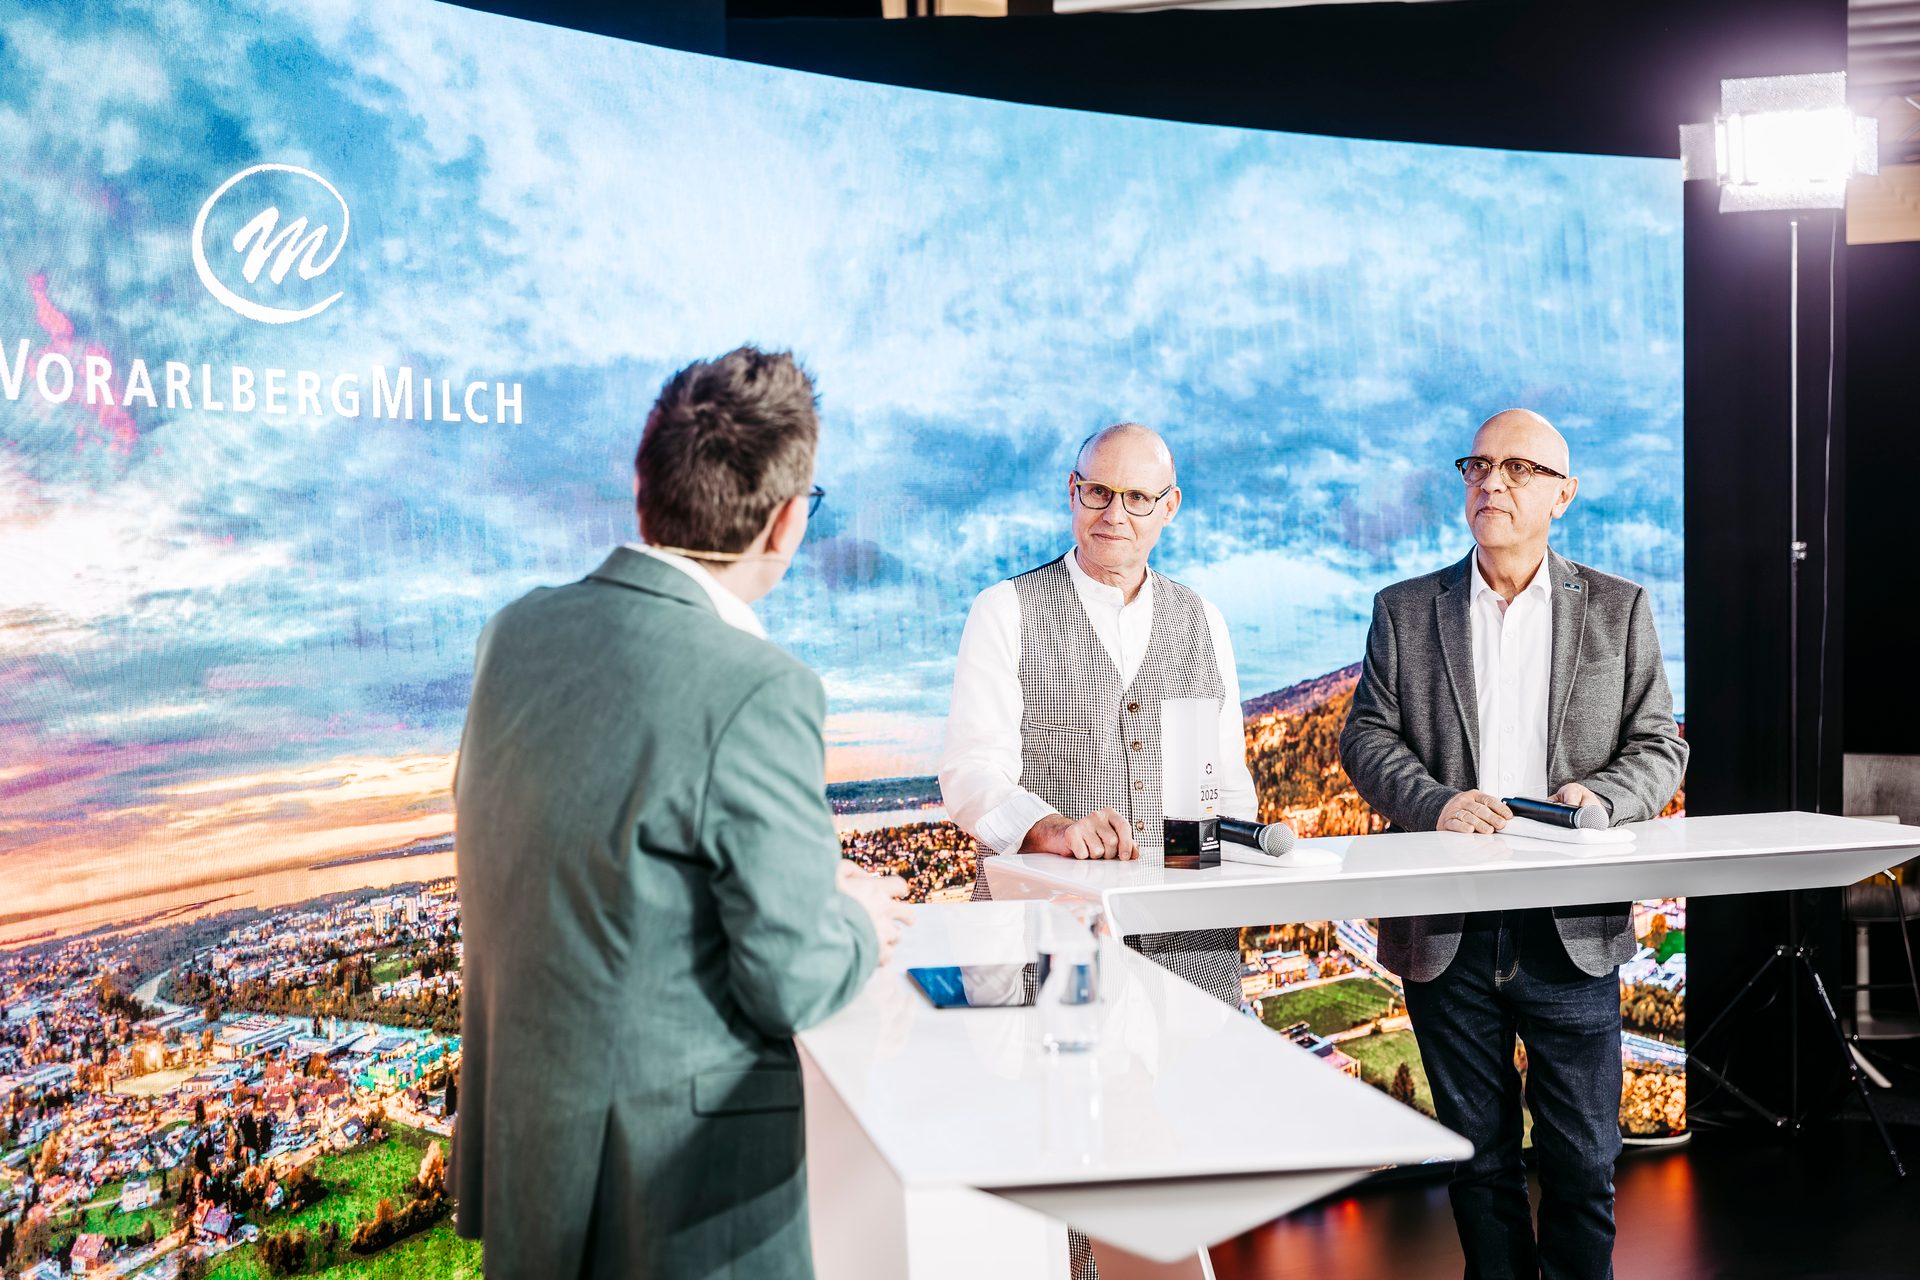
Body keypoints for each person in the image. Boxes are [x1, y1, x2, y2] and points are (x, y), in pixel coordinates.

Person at [452, 346, 913, 1280]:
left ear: (642, 487)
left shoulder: (514, 633)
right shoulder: (758, 686)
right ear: (786, 524)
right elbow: (794, 980)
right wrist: (857, 914)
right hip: (687, 1203)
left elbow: (609, 863)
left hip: (534, 1171)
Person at [1339, 408, 1687, 1280]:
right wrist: (1437, 802)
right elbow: (1368, 739)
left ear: (1563, 495)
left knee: (1582, 1163)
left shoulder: (1620, 608)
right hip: (1445, 931)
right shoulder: (1404, 609)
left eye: (1520, 469)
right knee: (1477, 1163)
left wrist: (1602, 799)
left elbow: (1660, 745)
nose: (1492, 482)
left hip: (1570, 925)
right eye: (1479, 466)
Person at [939, 422, 1261, 1277]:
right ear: (1071, 492)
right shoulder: (1004, 609)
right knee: (1059, 1191)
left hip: (1183, 955)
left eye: (1136, 497)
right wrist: (1045, 826)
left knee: (1169, 1188)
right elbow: (969, 773)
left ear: (1171, 508)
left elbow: (1229, 786)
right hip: (1044, 950)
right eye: (1095, 491)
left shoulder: (1203, 619)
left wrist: (1248, 849)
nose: (1113, 512)